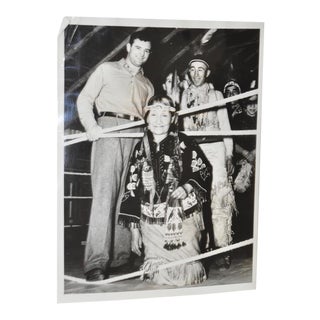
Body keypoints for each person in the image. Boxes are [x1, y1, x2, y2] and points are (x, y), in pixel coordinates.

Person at [76, 30, 154, 281]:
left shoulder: (148, 84)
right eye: (138, 48)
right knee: (104, 196)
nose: (141, 54)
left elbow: (148, 117)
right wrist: (91, 127)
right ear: (129, 47)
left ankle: (120, 258)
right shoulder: (106, 70)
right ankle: (96, 263)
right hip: (109, 128)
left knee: (127, 197)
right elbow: (84, 99)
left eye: (146, 50)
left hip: (135, 135)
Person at [118, 95, 212, 286]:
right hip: (151, 222)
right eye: (154, 115)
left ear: (173, 119)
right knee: (159, 277)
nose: (159, 120)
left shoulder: (184, 142)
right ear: (146, 118)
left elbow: (203, 169)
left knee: (187, 275)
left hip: (182, 216)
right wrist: (135, 231)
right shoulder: (139, 149)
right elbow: (132, 187)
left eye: (164, 115)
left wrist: (187, 187)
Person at [180, 58, 237, 269]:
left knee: (219, 198)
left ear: (207, 72)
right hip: (195, 150)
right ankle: (199, 249)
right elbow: (184, 128)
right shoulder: (184, 96)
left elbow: (225, 125)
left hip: (216, 149)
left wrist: (229, 154)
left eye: (201, 69)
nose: (196, 74)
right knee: (195, 198)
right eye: (193, 69)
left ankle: (223, 249)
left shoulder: (217, 95)